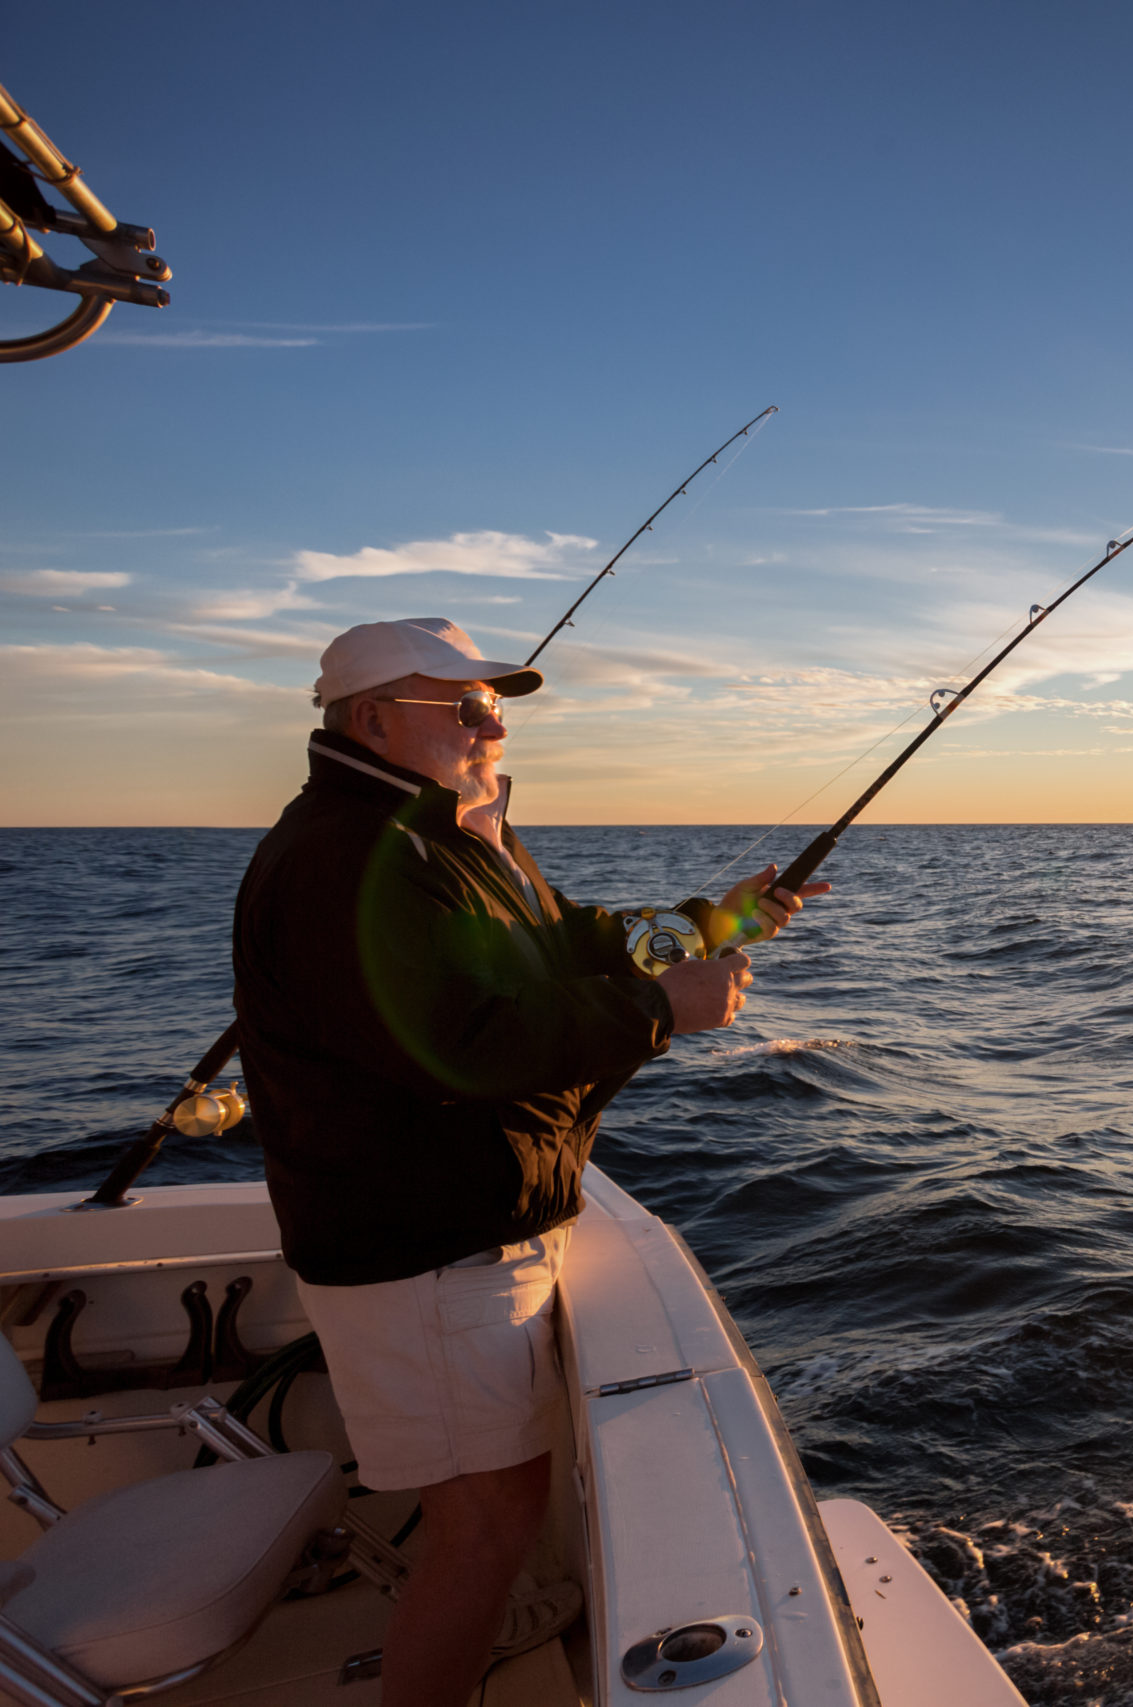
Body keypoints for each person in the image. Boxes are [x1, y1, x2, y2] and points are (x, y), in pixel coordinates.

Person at [230, 617, 827, 1707]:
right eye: (462, 707)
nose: (489, 727)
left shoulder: (446, 839)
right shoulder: (347, 858)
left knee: (495, 1512)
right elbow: (457, 1048)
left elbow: (564, 946)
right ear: (371, 720)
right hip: (429, 1250)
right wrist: (660, 1008)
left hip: (465, 1228)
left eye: (496, 707)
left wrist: (715, 921)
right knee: (487, 1523)